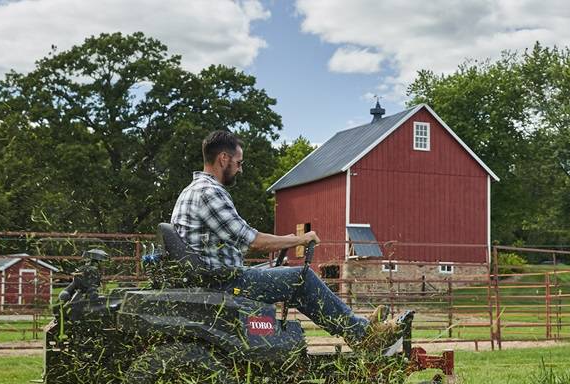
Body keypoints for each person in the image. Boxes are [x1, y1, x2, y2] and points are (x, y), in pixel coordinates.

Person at [170, 130, 402, 350]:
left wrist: (287, 239)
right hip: (223, 283)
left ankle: (355, 329)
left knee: (278, 271)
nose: (240, 169)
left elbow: (237, 237)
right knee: (301, 278)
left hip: (214, 277)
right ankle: (363, 334)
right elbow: (253, 241)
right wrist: (298, 240)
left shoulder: (191, 191)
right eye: (239, 163)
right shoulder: (210, 193)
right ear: (223, 159)